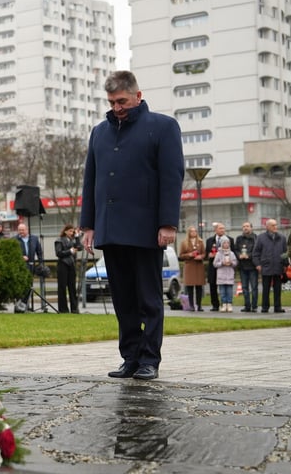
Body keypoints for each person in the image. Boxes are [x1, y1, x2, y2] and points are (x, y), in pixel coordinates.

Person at [80, 70, 184, 381]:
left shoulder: (164, 127)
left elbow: (172, 177)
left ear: (138, 95)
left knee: (149, 299)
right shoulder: (99, 132)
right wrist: (88, 225)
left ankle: (150, 359)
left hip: (146, 229)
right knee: (123, 300)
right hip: (111, 230)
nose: (117, 108)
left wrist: (168, 223)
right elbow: (91, 181)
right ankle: (130, 357)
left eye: (122, 101)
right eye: (112, 102)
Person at [252, 219, 288, 313]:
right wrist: (258, 264)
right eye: (273, 225)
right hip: (266, 266)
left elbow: (285, 252)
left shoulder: (282, 238)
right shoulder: (261, 238)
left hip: (278, 266)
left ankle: (277, 307)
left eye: (276, 225)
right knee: (266, 288)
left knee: (277, 288)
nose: (275, 227)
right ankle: (265, 307)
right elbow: (256, 253)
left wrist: (285, 264)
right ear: (267, 227)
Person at [204, 223, 234, 312]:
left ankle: (225, 304)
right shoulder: (210, 240)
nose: (222, 230)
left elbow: (233, 253)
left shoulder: (230, 240)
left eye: (223, 228)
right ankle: (215, 305)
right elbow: (206, 254)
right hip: (213, 266)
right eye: (220, 228)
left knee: (225, 287)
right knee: (213, 286)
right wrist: (209, 255)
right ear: (215, 230)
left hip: (226, 267)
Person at [14, 222, 43, 312]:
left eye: (22, 230)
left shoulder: (34, 238)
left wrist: (40, 263)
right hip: (20, 267)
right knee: (21, 286)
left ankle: (26, 305)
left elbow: (39, 252)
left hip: (31, 266)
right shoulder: (14, 240)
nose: (21, 232)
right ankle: (19, 306)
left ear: (27, 230)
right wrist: (20, 257)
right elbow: (12, 253)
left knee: (29, 286)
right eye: (19, 230)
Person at [54, 224, 82, 313]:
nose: (71, 233)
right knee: (62, 287)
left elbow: (80, 247)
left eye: (73, 231)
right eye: (70, 231)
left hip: (71, 265)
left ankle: (74, 309)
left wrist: (77, 237)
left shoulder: (73, 240)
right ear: (65, 231)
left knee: (72, 287)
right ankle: (63, 309)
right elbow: (58, 253)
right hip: (63, 265)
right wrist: (70, 251)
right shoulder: (59, 240)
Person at [178, 226, 205, 311]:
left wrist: (201, 256)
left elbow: (204, 253)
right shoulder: (184, 243)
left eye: (195, 231)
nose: (194, 233)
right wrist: (189, 255)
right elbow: (181, 255)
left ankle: (199, 305)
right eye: (192, 231)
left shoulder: (200, 242)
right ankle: (191, 305)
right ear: (189, 233)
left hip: (198, 266)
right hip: (189, 266)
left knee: (199, 287)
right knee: (190, 287)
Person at [234, 222, 259, 312]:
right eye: (244, 226)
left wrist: (249, 255)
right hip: (242, 266)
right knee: (244, 287)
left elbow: (257, 250)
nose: (245, 228)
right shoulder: (239, 238)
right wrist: (239, 255)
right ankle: (247, 306)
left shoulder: (256, 238)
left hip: (252, 266)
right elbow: (236, 249)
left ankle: (254, 306)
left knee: (254, 287)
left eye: (247, 226)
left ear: (251, 228)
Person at [213, 238, 238, 312]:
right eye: (224, 243)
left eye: (227, 243)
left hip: (229, 275)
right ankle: (223, 304)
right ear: (221, 244)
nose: (226, 244)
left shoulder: (232, 253)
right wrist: (222, 263)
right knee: (222, 292)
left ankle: (229, 304)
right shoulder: (218, 253)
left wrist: (231, 263)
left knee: (229, 291)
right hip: (221, 276)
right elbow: (215, 264)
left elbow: (235, 263)